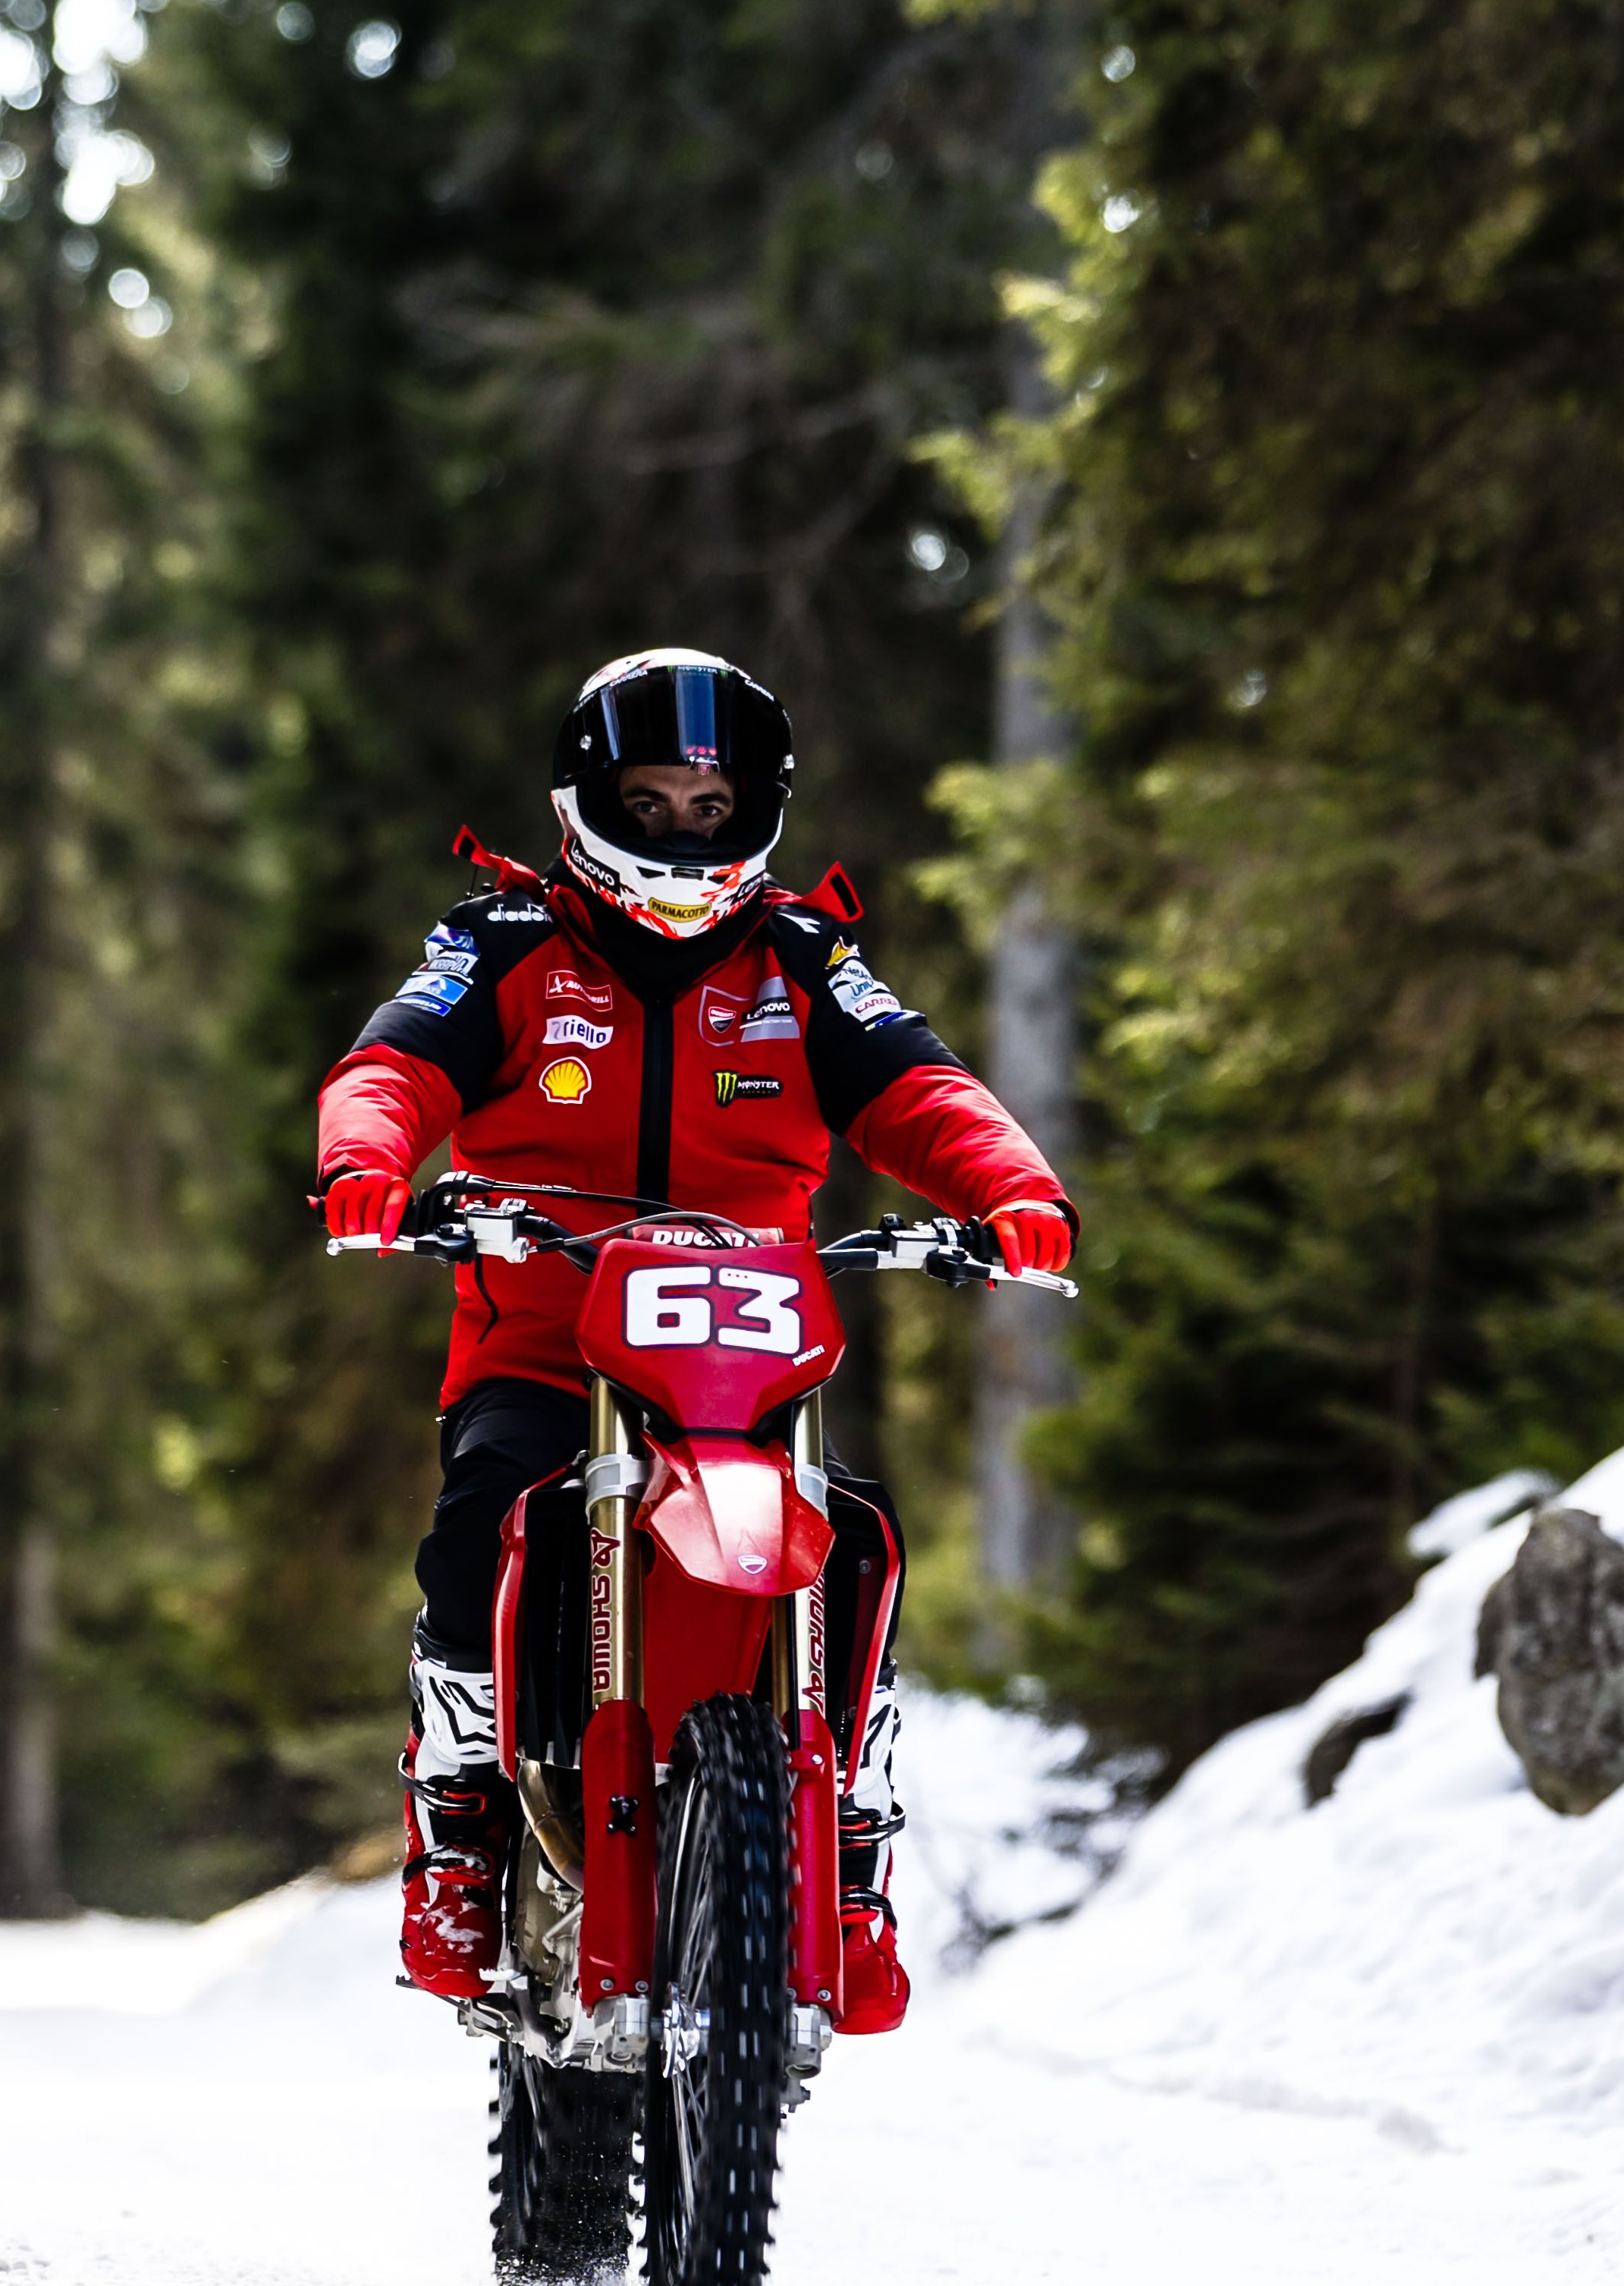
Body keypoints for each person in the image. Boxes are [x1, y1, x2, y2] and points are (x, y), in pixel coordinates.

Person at [311, 647, 1075, 2026]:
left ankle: (850, 1854)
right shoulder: (503, 944)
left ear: (758, 809)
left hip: (749, 1359)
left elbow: (922, 1086)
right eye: (651, 800)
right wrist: (366, 1162)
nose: (681, 827)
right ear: (588, 800)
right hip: (546, 1345)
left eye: (711, 804)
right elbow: (394, 1064)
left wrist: (1013, 1191)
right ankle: (460, 1840)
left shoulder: (803, 959)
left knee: (856, 1541)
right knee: (484, 1522)